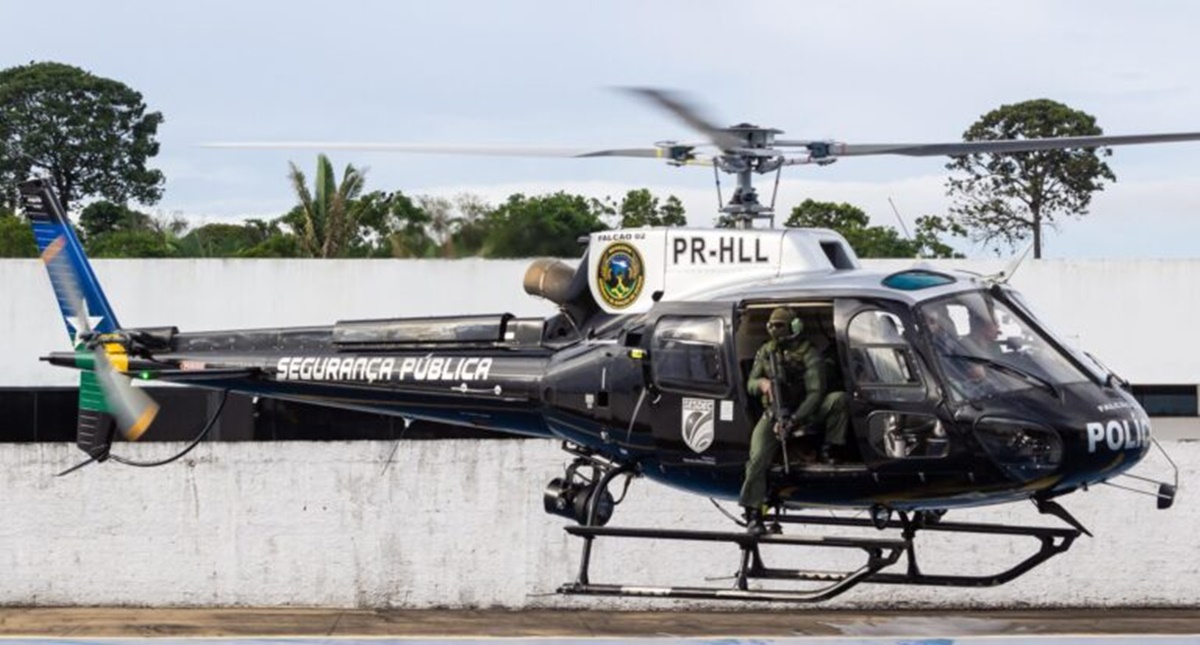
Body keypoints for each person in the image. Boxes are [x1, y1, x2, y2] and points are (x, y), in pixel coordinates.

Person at [739, 307, 849, 531]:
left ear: (795, 327)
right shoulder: (766, 352)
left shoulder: (809, 354)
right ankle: (752, 512)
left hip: (806, 412)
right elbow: (750, 384)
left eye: (780, 325)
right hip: (773, 415)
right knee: (757, 458)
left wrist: (795, 419)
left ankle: (832, 449)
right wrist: (762, 384)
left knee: (838, 400)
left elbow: (816, 393)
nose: (775, 330)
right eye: (772, 325)